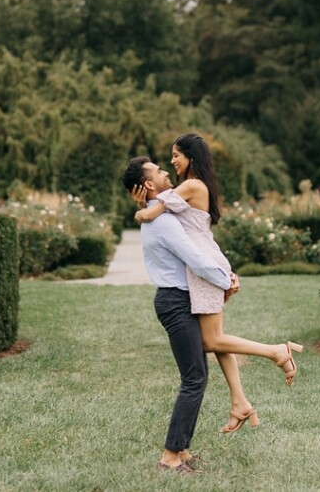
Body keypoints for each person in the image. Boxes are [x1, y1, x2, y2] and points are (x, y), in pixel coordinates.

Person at [130, 133, 302, 435]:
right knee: (215, 338)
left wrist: (139, 210)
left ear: (191, 157)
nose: (171, 162)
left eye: (176, 155)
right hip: (205, 265)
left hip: (204, 268)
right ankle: (240, 403)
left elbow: (152, 212)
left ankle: (276, 351)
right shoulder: (193, 186)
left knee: (211, 341)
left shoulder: (191, 186)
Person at [120, 156, 238, 475]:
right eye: (158, 171)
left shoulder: (161, 214)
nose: (165, 172)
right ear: (148, 184)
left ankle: (182, 450)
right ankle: (170, 457)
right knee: (193, 378)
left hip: (178, 299)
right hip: (175, 301)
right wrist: (226, 279)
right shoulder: (163, 222)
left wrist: (143, 207)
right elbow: (194, 258)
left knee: (197, 375)